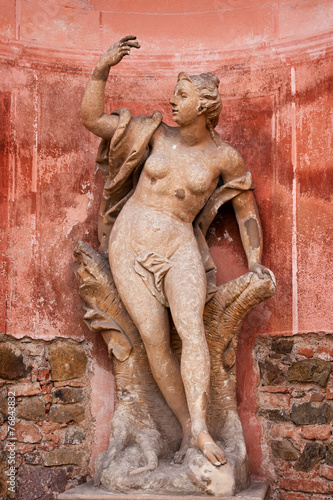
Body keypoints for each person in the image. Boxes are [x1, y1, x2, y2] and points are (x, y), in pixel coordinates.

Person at [81, 36, 271, 468]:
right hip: (129, 242)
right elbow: (92, 118)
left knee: (192, 331)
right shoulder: (151, 133)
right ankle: (186, 425)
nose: (172, 99)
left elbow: (246, 212)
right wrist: (100, 70)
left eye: (181, 94)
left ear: (204, 106)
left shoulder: (224, 157)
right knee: (153, 340)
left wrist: (256, 260)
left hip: (179, 242)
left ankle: (202, 429)